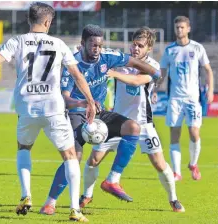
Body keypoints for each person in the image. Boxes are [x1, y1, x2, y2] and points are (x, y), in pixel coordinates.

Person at [0, 2, 96, 222]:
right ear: (48, 22)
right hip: (53, 107)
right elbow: (77, 74)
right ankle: (75, 210)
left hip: (26, 107)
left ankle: (26, 195)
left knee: (24, 147)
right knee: (69, 155)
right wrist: (91, 101)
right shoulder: (59, 44)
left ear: (29, 20)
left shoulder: (16, 41)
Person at [40, 24, 161, 215]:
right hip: (76, 113)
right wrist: (83, 103)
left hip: (99, 111)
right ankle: (50, 202)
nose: (97, 49)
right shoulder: (72, 65)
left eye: (99, 45)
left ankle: (112, 179)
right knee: (75, 158)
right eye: (92, 45)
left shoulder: (107, 57)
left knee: (133, 128)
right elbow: (65, 98)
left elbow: (133, 62)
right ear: (83, 44)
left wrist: (155, 73)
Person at [77, 27, 185, 212]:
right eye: (134, 44)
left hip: (143, 124)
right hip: (118, 122)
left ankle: (173, 199)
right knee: (94, 159)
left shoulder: (153, 66)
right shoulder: (121, 60)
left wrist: (114, 74)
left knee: (159, 164)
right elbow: (100, 60)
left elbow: (136, 81)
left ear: (148, 49)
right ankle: (86, 195)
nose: (135, 48)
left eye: (140, 46)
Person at [152, 16, 214, 181]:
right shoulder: (170, 50)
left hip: (192, 99)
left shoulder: (197, 48)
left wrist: (210, 90)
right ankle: (176, 172)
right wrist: (156, 89)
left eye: (182, 27)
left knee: (194, 132)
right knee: (175, 133)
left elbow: (208, 70)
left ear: (188, 29)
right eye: (177, 27)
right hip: (175, 99)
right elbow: (162, 72)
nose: (179, 30)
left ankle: (193, 164)